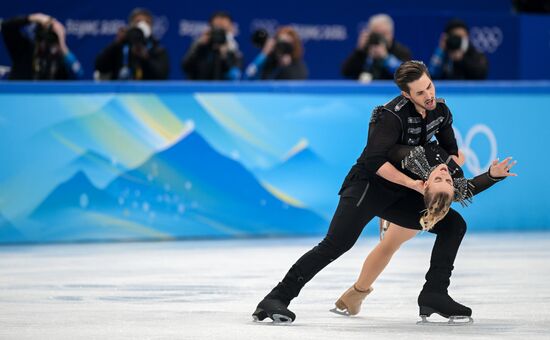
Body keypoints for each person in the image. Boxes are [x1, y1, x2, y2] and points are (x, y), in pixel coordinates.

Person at [252, 61, 475, 324]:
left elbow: (451, 153)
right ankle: (276, 298)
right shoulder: (390, 117)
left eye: (429, 87)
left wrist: (447, 180)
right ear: (406, 94)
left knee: (454, 225)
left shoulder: (440, 111)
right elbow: (374, 161)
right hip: (367, 186)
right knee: (336, 244)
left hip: (401, 192)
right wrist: (414, 183)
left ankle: (434, 294)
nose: (428, 96)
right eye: (419, 93)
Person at [333, 142, 516, 318]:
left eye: (446, 179)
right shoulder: (420, 156)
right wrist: (487, 174)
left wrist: (490, 175)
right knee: (391, 243)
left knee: (392, 242)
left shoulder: (428, 163)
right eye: (442, 179)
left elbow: (462, 187)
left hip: (413, 199)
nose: (446, 175)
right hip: (395, 190)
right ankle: (357, 294)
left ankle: (357, 294)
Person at [0, 13, 84, 80]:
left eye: (52, 42)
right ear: (38, 38)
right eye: (43, 40)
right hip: (19, 97)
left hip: (47, 99)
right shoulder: (24, 49)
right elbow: (6, 27)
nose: (47, 45)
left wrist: (62, 45)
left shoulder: (60, 59)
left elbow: (78, 74)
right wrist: (35, 17)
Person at [94, 8, 169, 80]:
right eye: (138, 21)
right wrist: (117, 42)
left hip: (148, 92)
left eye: (147, 22)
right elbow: (99, 66)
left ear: (151, 26)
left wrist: (145, 58)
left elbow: (162, 76)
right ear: (130, 25)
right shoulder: (120, 46)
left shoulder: (158, 50)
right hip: (121, 91)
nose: (143, 25)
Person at [341, 14, 411, 81]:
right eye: (377, 34)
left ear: (391, 33)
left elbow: (407, 75)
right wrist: (359, 50)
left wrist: (385, 58)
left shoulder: (401, 51)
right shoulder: (362, 51)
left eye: (384, 34)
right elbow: (346, 72)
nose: (381, 38)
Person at [181, 11, 242, 80]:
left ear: (231, 29)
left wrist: (225, 56)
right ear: (209, 28)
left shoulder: (233, 49)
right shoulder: (200, 46)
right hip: (200, 88)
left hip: (224, 89)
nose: (219, 34)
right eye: (216, 28)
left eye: (223, 30)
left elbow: (235, 75)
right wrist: (198, 46)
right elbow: (185, 67)